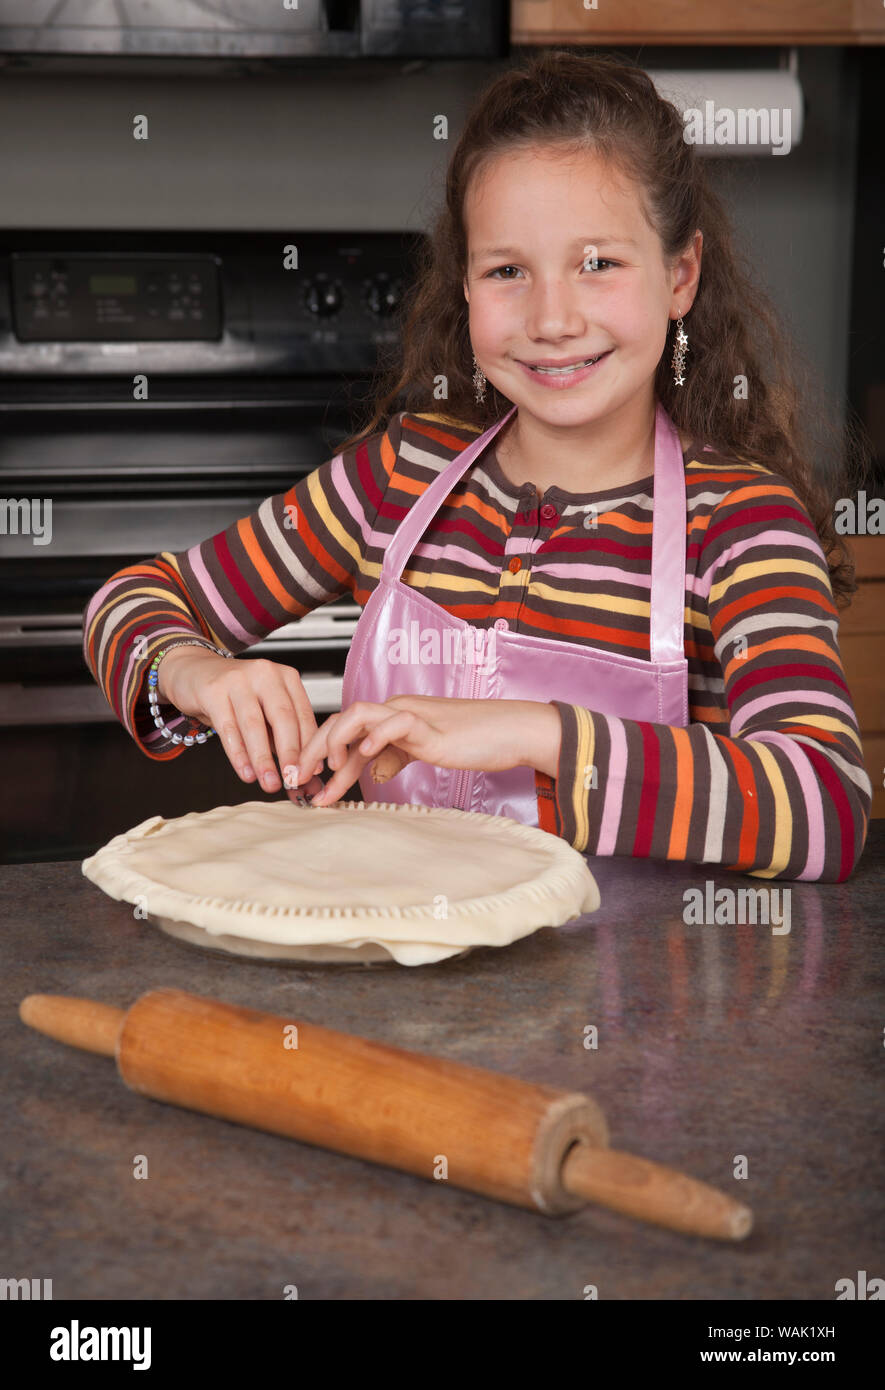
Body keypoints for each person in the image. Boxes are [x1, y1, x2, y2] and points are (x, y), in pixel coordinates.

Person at [84, 50, 873, 882]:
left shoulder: (741, 523)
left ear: (679, 275)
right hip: (389, 994)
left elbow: (823, 806)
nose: (552, 318)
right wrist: (196, 671)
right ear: (464, 287)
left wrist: (536, 733)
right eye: (506, 272)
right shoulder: (400, 475)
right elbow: (128, 600)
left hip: (639, 1001)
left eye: (597, 263)